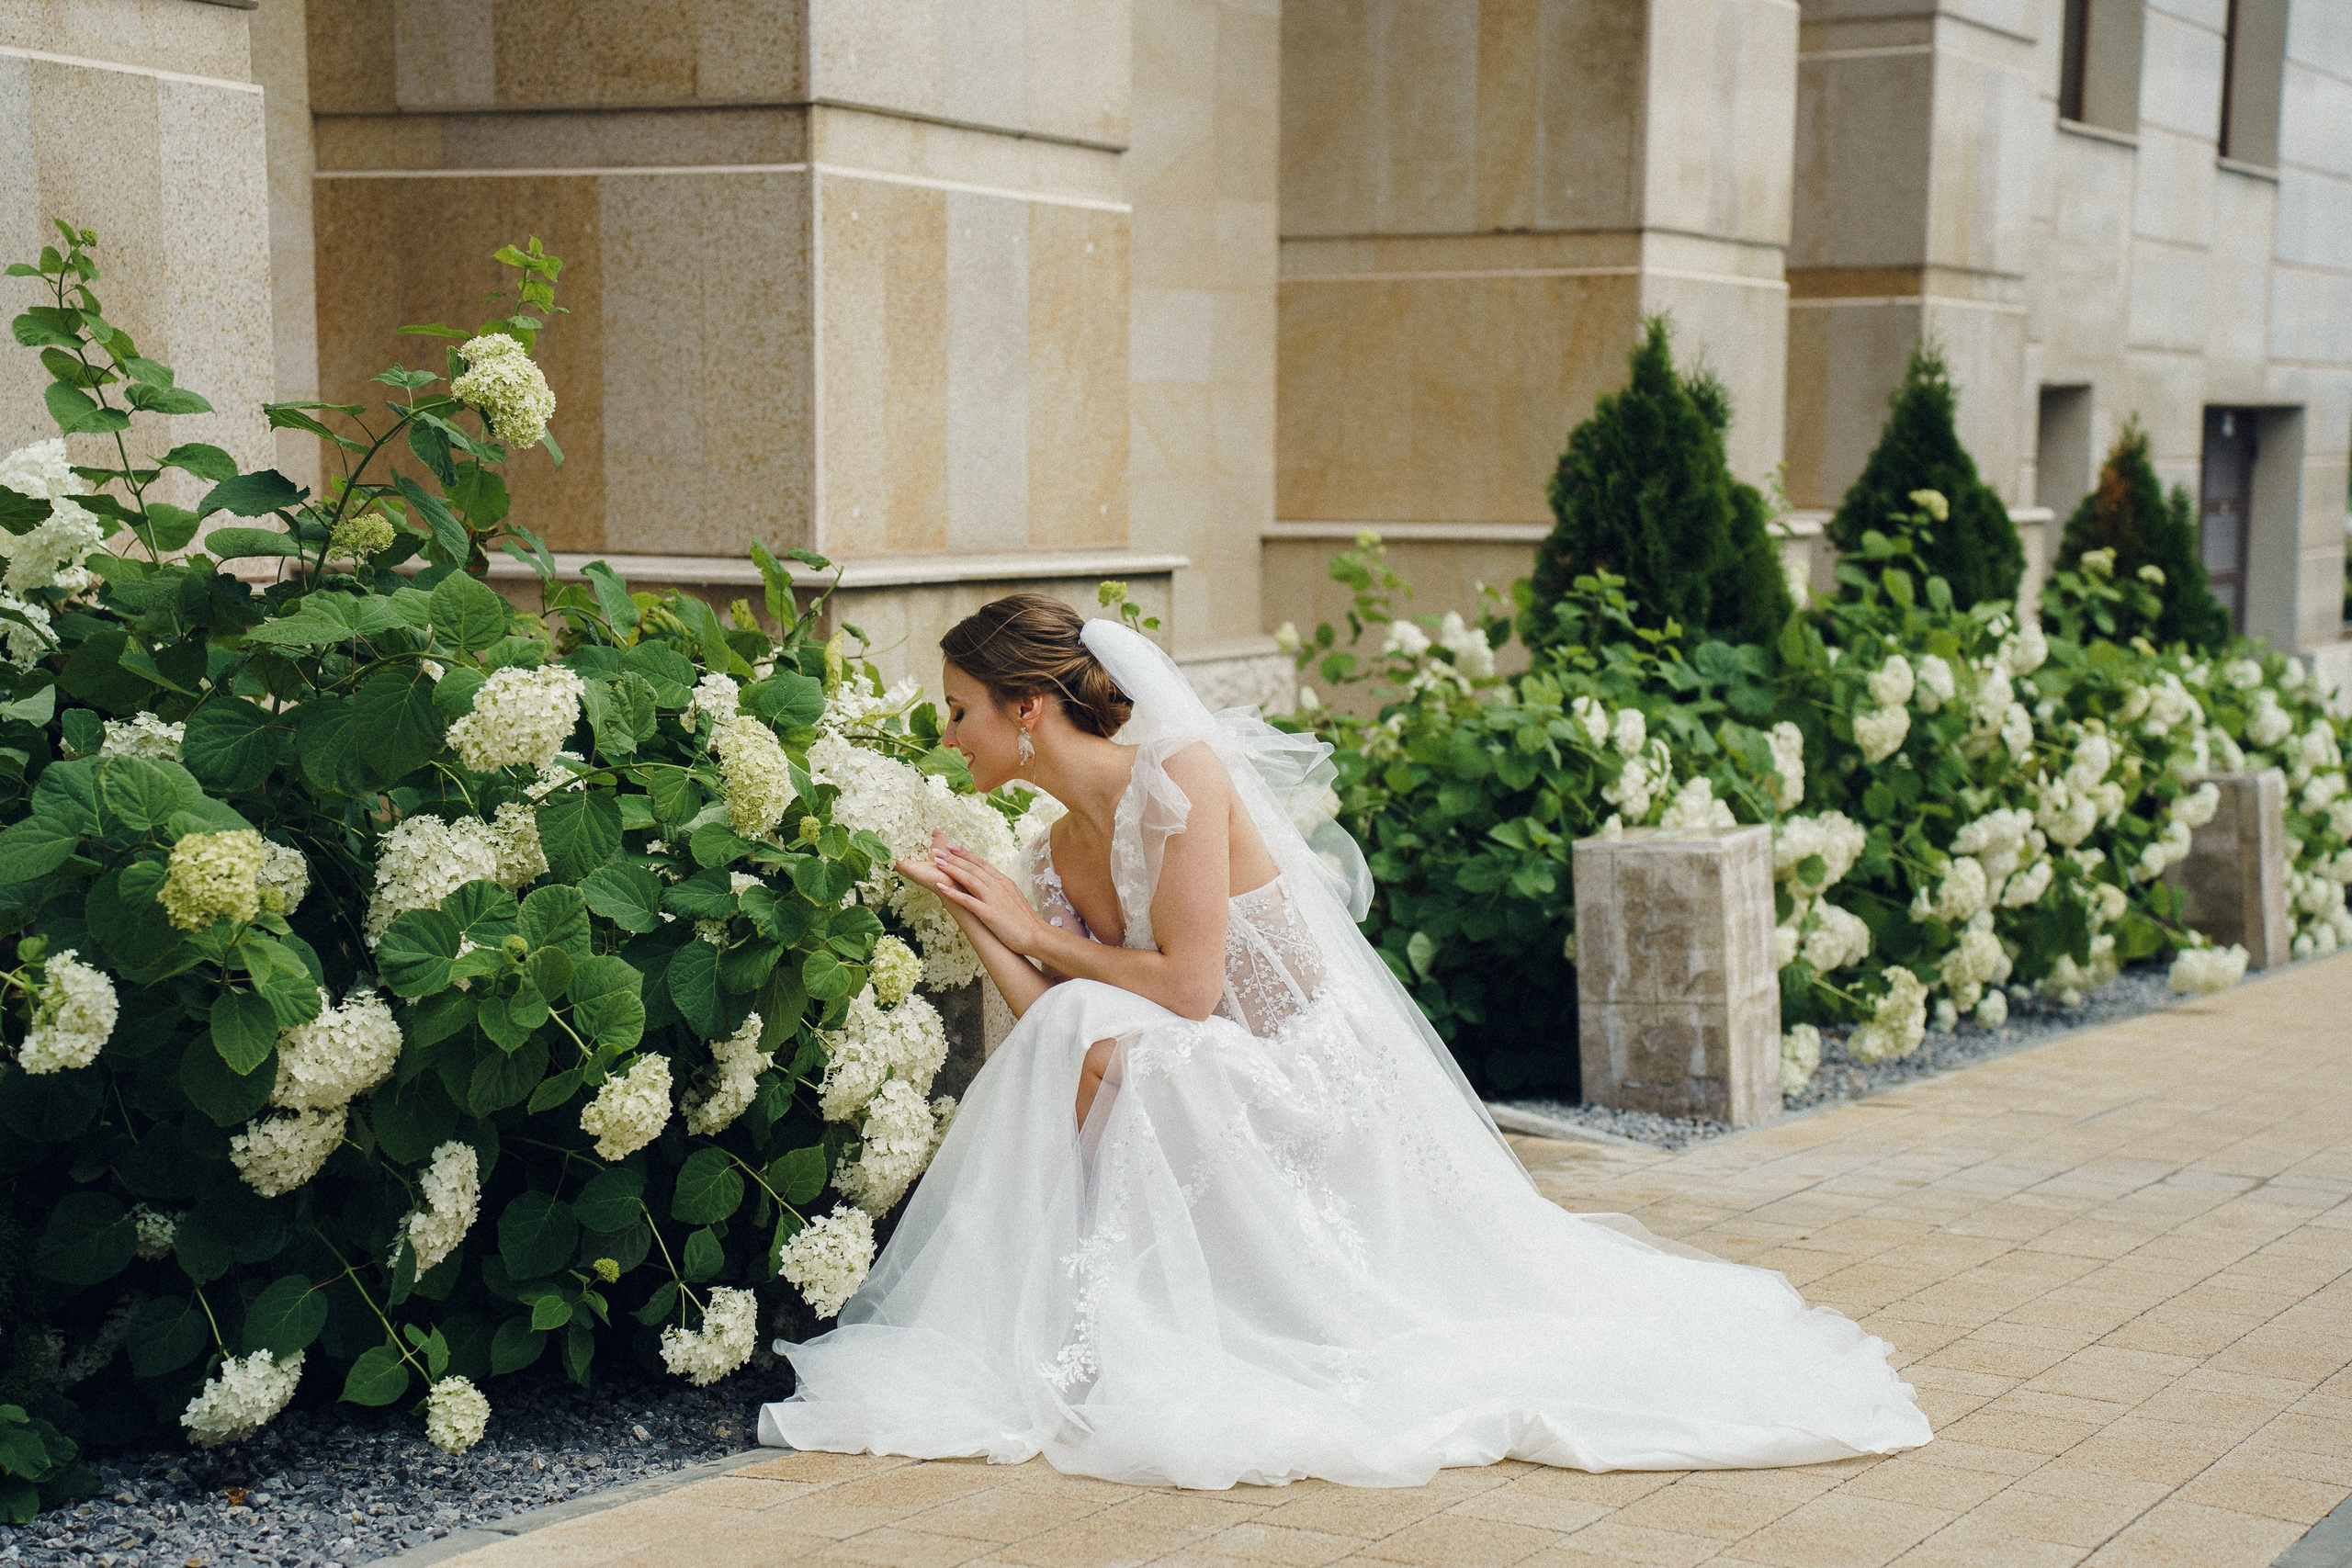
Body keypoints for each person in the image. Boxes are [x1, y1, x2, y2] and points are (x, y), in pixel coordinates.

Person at [757, 593, 1929, 1488]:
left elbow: (1189, 984)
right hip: (1192, 1065)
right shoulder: (1047, 852)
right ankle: (1095, 1317)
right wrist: (988, 918)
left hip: (1301, 1076)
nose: (948, 733)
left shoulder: (1178, 776)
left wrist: (1035, 939)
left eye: (960, 708)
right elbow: (1053, 1015)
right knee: (1073, 1023)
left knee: (1100, 1025)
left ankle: (1121, 1313)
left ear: (1024, 708)